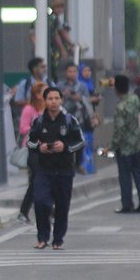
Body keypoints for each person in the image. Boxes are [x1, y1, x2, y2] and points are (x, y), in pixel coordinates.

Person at [26, 87, 84, 250]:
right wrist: (40, 148)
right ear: (45, 101)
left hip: (64, 170)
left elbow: (80, 142)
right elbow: (29, 142)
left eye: (56, 98)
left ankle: (58, 239)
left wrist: (65, 146)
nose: (53, 102)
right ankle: (42, 237)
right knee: (40, 201)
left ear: (61, 100)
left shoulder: (70, 120)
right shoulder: (38, 122)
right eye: (50, 98)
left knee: (62, 205)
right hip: (44, 169)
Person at [110, 75, 140, 214]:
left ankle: (127, 204)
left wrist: (112, 146)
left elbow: (119, 129)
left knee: (125, 176)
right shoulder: (135, 99)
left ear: (116, 89)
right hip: (137, 143)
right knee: (139, 175)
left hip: (125, 147)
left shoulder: (120, 106)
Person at [16, 83, 47, 224]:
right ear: (37, 94)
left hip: (47, 149)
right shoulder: (29, 109)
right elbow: (23, 129)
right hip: (33, 148)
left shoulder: (49, 109)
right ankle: (24, 211)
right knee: (36, 181)